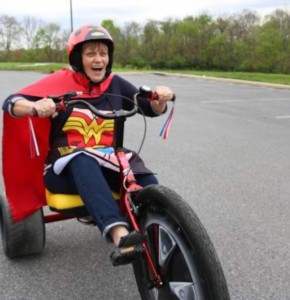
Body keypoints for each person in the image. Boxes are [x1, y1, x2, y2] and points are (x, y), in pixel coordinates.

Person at [2, 24, 174, 266]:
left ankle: (165, 230)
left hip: (109, 161)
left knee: (137, 169)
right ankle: (119, 234)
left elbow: (148, 106)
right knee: (82, 158)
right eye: (91, 53)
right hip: (64, 168)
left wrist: (160, 99)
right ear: (77, 58)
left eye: (103, 53)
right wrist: (34, 107)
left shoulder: (115, 84)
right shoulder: (59, 83)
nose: (98, 59)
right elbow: (10, 102)